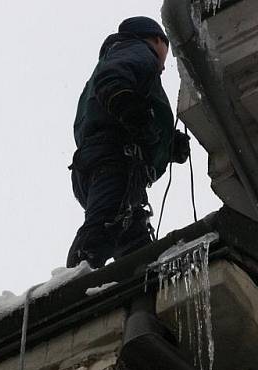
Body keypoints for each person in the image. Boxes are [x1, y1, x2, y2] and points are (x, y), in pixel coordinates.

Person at [66, 16, 191, 269]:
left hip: (104, 164)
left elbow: (133, 119)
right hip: (115, 160)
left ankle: (141, 298)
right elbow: (115, 83)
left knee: (134, 243)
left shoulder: (118, 57)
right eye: (165, 51)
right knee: (102, 229)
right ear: (156, 39)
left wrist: (167, 144)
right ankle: (71, 294)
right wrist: (130, 107)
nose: (164, 66)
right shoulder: (138, 50)